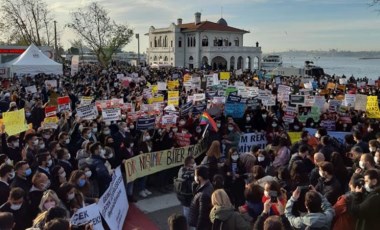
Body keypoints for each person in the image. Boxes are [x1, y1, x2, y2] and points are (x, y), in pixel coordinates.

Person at [188, 166, 214, 230]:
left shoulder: (204, 194)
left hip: (199, 225)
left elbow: (202, 215)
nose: (194, 177)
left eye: (195, 175)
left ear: (199, 177)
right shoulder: (204, 186)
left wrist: (198, 228)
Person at [176, 156, 196, 222]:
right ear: (188, 164)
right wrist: (194, 171)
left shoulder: (182, 169)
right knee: (188, 215)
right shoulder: (184, 171)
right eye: (193, 163)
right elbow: (188, 175)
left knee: (187, 212)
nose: (194, 164)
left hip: (184, 196)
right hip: (186, 196)